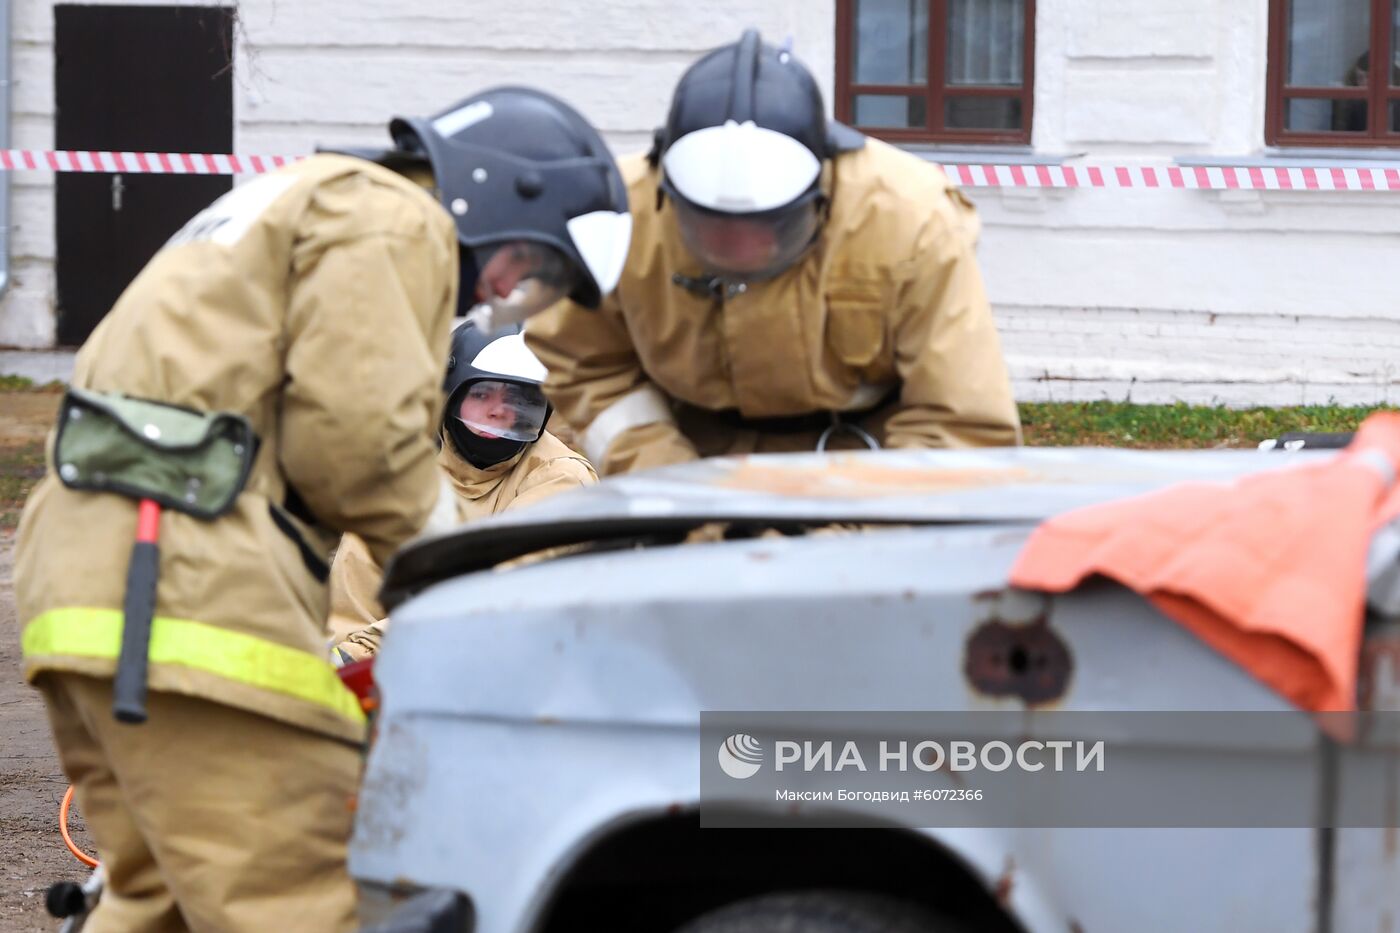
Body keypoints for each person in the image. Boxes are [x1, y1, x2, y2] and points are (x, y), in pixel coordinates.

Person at [14, 86, 628, 932]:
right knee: (302, 901)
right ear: (494, 194)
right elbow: (359, 445)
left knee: (154, 901)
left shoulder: (301, 197)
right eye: (530, 267)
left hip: (83, 571)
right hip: (186, 578)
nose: (508, 294)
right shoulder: (397, 219)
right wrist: (461, 577)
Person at [526, 29, 1021, 477]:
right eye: (710, 231)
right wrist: (666, 482)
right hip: (689, 460)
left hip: (871, 464)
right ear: (666, 193)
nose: (744, 255)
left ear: (823, 191)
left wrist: (854, 530)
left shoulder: (910, 220)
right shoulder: (615, 219)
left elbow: (961, 426)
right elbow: (585, 362)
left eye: (773, 229)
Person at [327, 320, 597, 663]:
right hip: (391, 677)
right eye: (482, 394)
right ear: (451, 393)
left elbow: (491, 589)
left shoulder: (562, 478)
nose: (498, 410)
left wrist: (366, 653)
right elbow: (349, 614)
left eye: (516, 398)